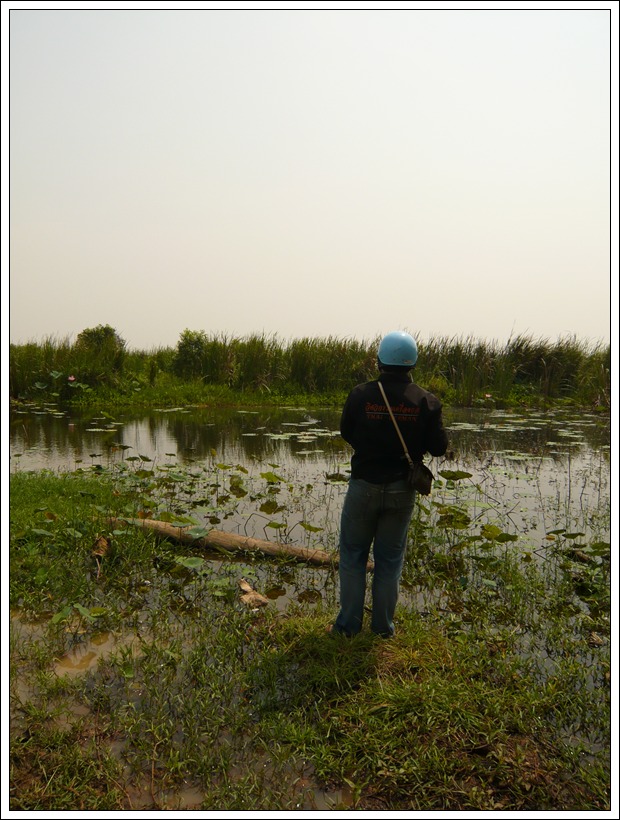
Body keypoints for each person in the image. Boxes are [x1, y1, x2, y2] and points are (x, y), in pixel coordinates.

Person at [331, 331, 449, 638]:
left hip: (364, 485)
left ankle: (347, 628)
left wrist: (370, 449)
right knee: (389, 561)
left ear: (380, 359)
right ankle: (383, 629)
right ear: (412, 362)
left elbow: (347, 432)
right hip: (401, 488)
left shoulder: (360, 394)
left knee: (353, 556)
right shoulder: (427, 401)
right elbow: (438, 448)